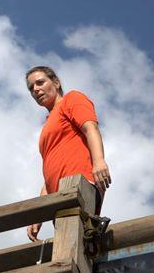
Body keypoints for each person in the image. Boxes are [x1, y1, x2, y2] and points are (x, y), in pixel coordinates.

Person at [24, 66, 112, 242]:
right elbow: (49, 173)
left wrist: (99, 161)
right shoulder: (48, 125)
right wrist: (39, 212)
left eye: (40, 82)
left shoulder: (71, 99)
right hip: (58, 197)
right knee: (68, 245)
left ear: (56, 83)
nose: (35, 89)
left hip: (79, 184)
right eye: (31, 88)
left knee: (75, 241)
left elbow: (90, 127)